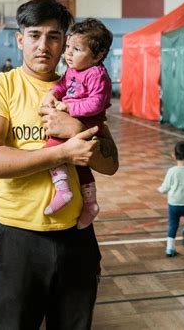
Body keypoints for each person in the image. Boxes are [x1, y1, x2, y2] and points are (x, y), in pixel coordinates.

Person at [0, 0, 118, 330]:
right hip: (20, 241)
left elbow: (110, 164)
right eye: (35, 35)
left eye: (54, 36)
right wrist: (62, 153)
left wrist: (77, 130)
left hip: (77, 238)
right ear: (20, 39)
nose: (44, 45)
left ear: (65, 41)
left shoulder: (80, 87)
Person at [41, 18, 113, 232]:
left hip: (88, 121)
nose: (68, 54)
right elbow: (62, 86)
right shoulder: (73, 71)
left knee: (53, 146)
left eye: (77, 49)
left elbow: (96, 103)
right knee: (80, 164)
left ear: (98, 56)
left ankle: (62, 189)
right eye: (68, 48)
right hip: (75, 118)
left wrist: (68, 108)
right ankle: (90, 204)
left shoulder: (97, 74)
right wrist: (52, 93)